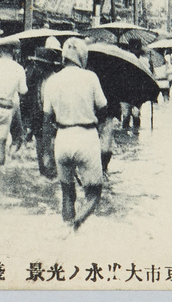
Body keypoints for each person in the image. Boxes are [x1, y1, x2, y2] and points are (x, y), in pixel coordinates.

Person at [43, 37, 107, 230]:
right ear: (82, 56)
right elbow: (103, 110)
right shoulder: (90, 77)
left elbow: (47, 121)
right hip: (86, 137)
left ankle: (66, 234)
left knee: (67, 194)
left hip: (62, 138)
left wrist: (47, 152)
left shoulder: (52, 81)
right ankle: (77, 223)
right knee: (94, 193)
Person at [25, 44, 61, 179]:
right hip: (39, 124)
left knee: (51, 163)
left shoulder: (57, 81)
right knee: (42, 165)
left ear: (47, 65)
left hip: (53, 124)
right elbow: (35, 102)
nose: (36, 66)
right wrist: (31, 128)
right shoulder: (39, 79)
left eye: (38, 64)